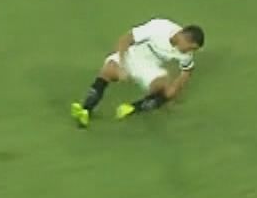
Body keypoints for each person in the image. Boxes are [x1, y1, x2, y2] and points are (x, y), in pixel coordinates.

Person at [70, 19, 205, 128]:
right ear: (184, 38)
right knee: (108, 70)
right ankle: (86, 110)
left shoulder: (186, 54)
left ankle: (132, 108)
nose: (190, 51)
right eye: (191, 47)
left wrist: (175, 89)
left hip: (149, 67)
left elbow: (187, 70)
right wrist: (122, 65)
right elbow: (126, 39)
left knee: (163, 87)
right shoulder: (159, 27)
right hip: (131, 55)